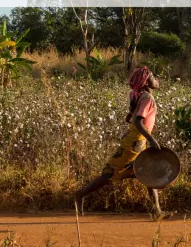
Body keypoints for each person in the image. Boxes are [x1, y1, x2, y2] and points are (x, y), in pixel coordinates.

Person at [75, 66, 174, 220]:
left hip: (135, 140)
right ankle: (80, 194)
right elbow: (137, 121)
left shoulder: (138, 95)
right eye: (153, 77)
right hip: (135, 142)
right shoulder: (147, 98)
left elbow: (129, 118)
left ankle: (157, 212)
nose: (156, 80)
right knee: (111, 173)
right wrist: (151, 139)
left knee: (148, 173)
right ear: (146, 82)